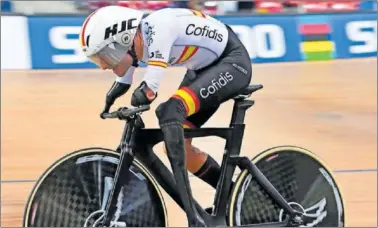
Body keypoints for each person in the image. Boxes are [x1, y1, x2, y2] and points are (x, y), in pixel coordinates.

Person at [79, 5, 252, 226]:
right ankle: (236, 196)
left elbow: (149, 90)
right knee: (182, 146)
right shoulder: (135, 44)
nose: (103, 66)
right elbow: (124, 82)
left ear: (123, 40)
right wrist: (109, 102)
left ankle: (193, 217)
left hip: (233, 63)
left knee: (170, 112)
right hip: (204, 69)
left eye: (105, 57)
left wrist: (136, 101)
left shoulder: (157, 30)